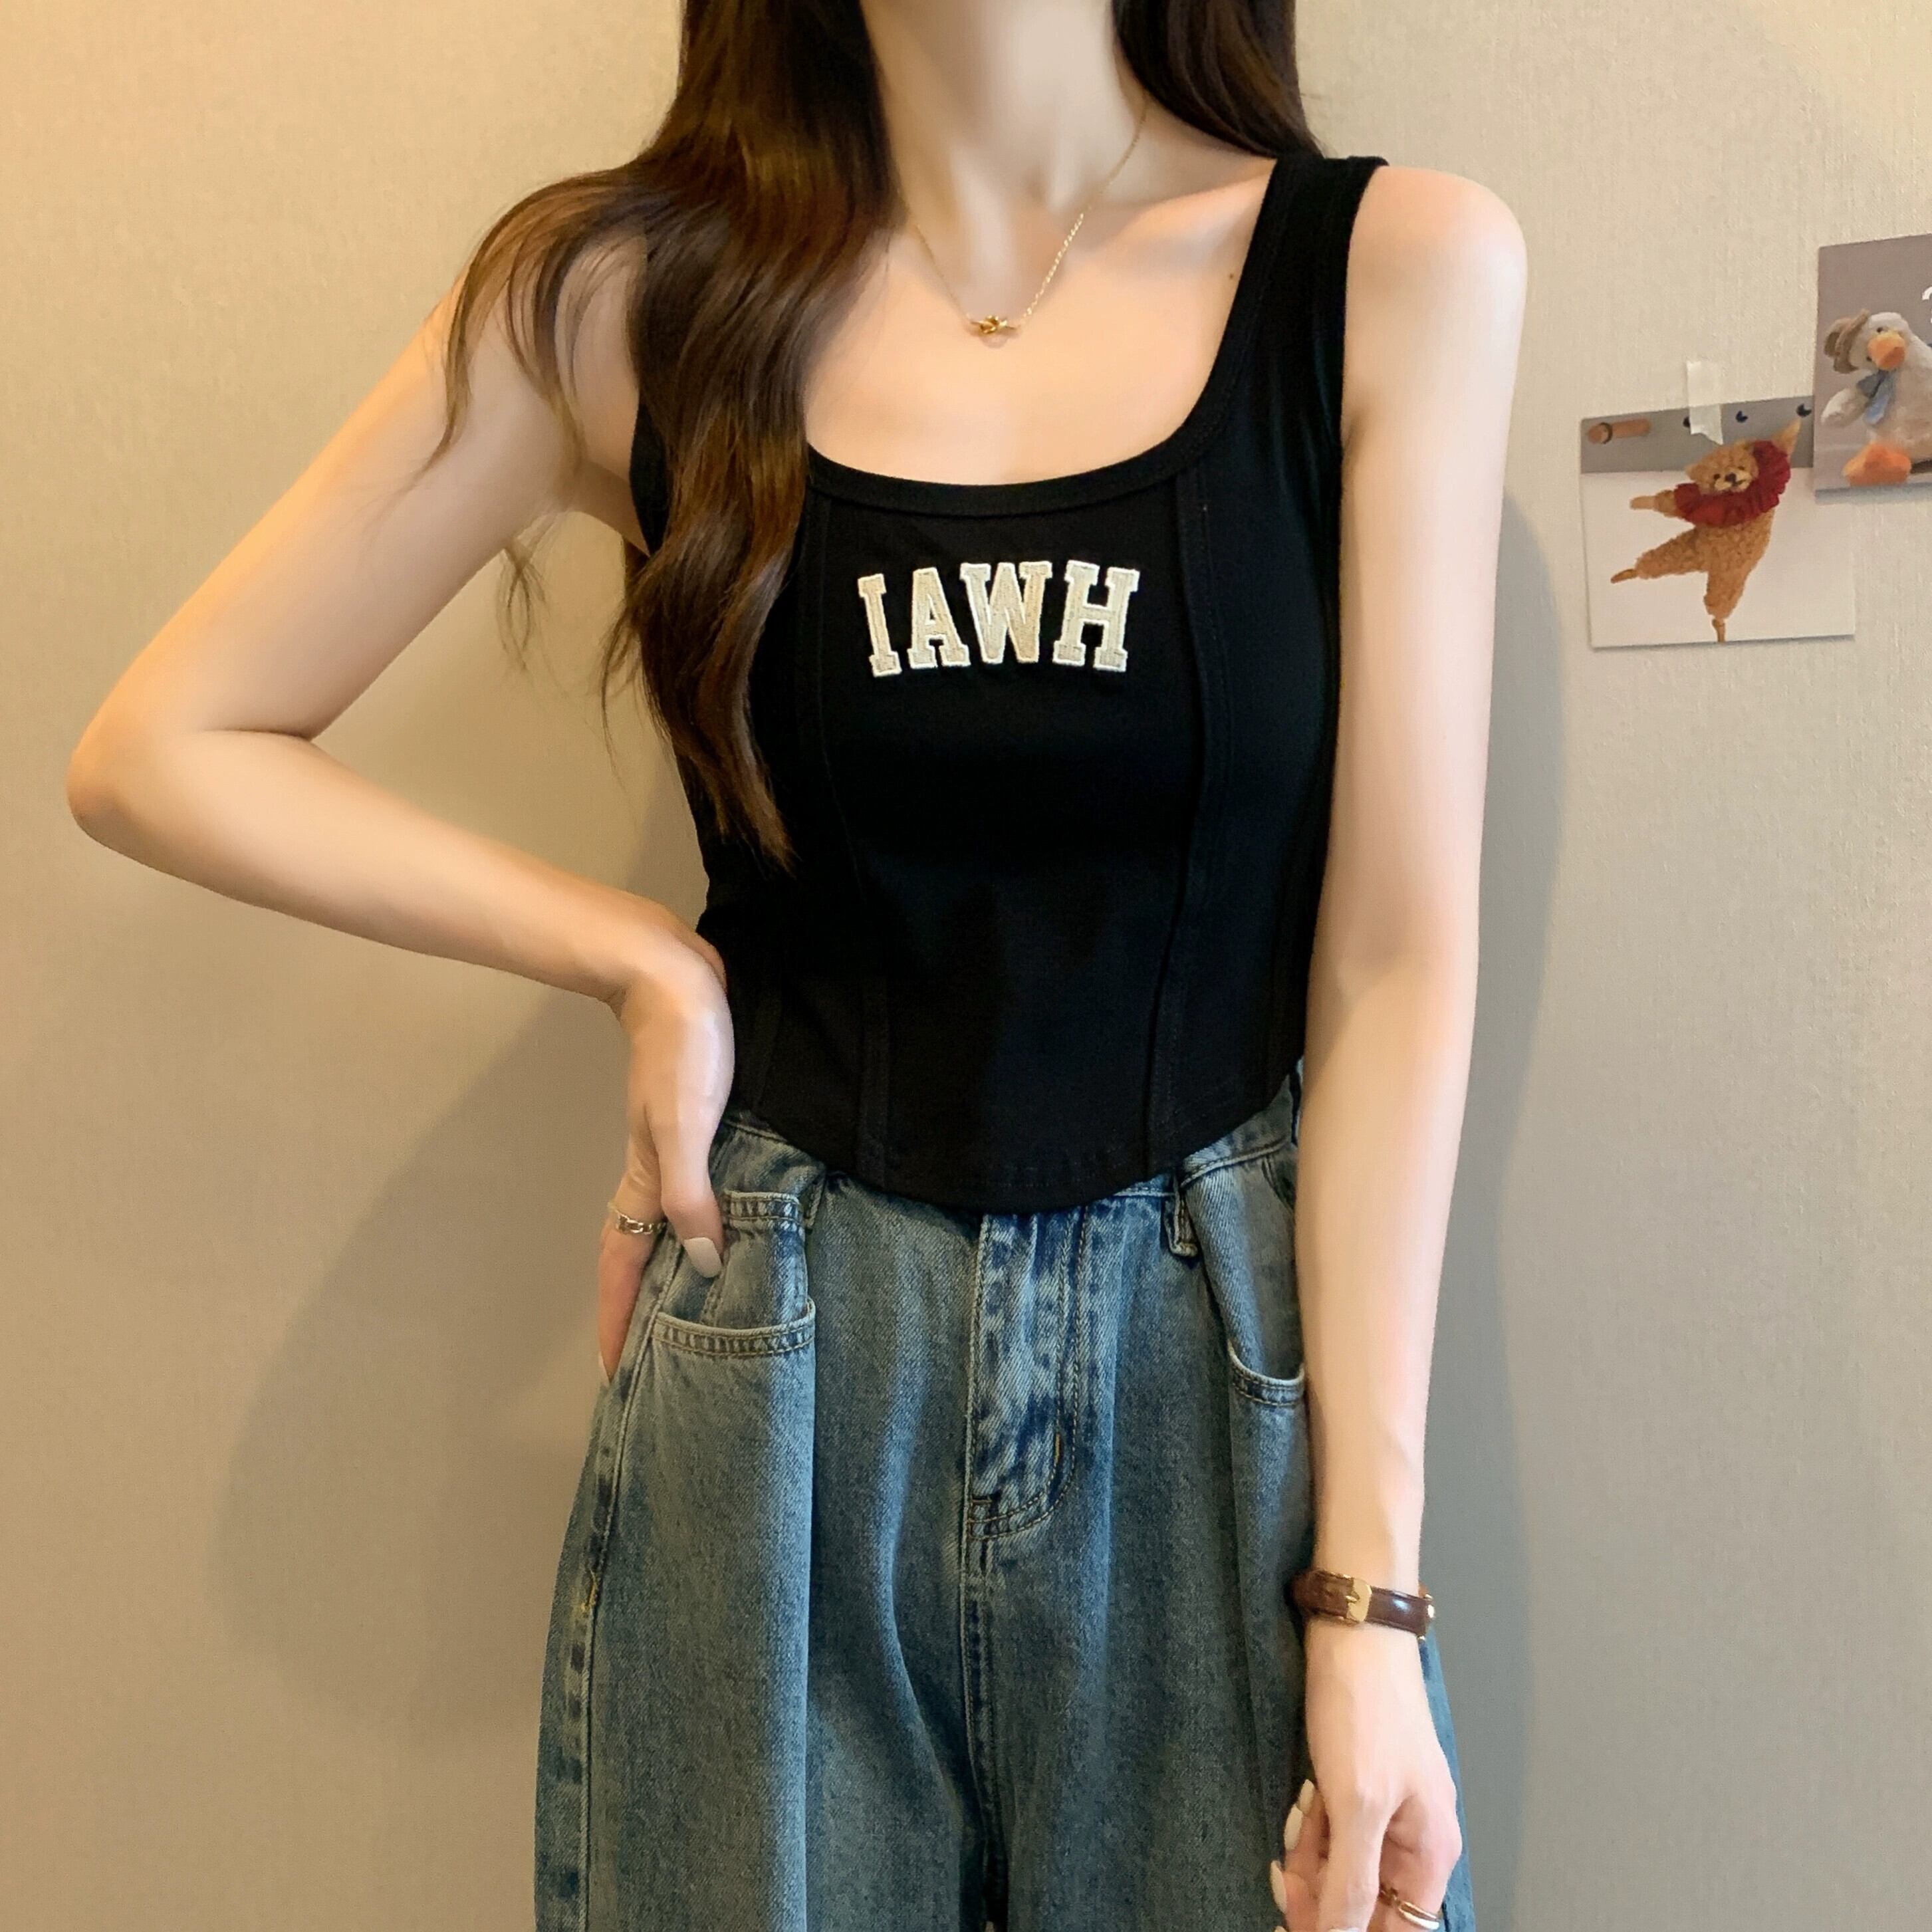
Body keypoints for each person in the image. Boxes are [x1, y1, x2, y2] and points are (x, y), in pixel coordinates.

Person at [64, 2, 1525, 1927]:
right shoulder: (627, 303)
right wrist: (639, 960)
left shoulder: (1388, 271)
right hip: (780, 1368)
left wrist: (1368, 1596)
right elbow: (164, 746)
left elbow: (1395, 964)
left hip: (1221, 1393)